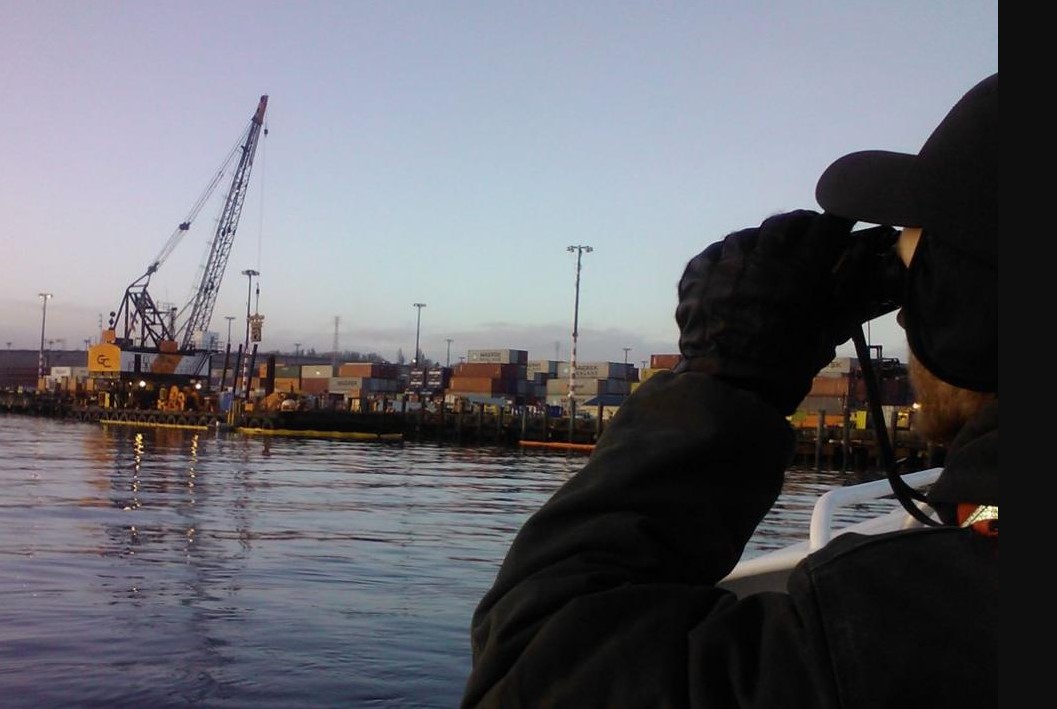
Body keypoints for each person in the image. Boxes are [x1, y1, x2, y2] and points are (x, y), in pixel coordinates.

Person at [462, 72, 997, 708]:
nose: (904, 315)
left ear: (966, 314)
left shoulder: (911, 630)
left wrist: (728, 375)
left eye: (914, 274)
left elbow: (537, 673)